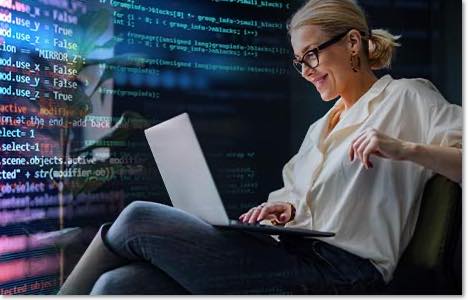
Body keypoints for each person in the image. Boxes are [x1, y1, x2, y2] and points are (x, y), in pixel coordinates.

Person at [58, 0, 462, 295]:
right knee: (118, 286)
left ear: (353, 42)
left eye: (312, 55)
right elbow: (297, 203)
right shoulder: (319, 128)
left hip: (344, 273)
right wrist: (284, 211)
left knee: (137, 219)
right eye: (298, 61)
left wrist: (405, 148)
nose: (306, 72)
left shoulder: (408, 98)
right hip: (292, 256)